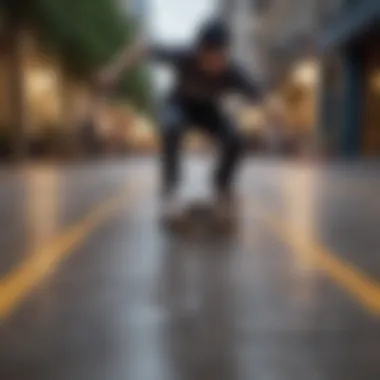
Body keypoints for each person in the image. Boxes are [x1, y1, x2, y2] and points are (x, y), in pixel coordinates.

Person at [98, 20, 267, 220]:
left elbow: (262, 97)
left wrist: (270, 109)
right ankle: (171, 190)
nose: (214, 64)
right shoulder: (184, 56)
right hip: (179, 105)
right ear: (199, 52)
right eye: (208, 57)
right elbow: (141, 49)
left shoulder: (233, 72)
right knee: (171, 126)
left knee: (235, 137)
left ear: (225, 54)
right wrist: (112, 70)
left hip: (209, 111)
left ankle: (222, 185)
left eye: (219, 58)